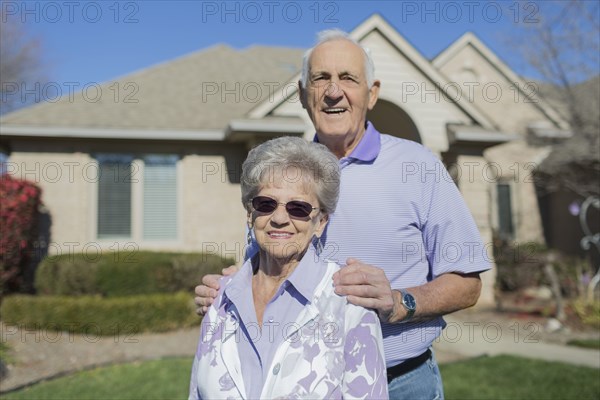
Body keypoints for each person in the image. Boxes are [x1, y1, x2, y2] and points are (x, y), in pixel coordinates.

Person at [195, 29, 490, 399]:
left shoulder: (419, 166)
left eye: (348, 78)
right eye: (320, 78)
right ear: (304, 94)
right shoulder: (281, 176)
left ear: (372, 92)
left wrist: (400, 303)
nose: (334, 91)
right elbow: (261, 272)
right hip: (304, 385)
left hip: (403, 381)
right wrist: (227, 295)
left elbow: (467, 283)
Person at [189, 136, 388, 399]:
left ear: (320, 223)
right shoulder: (219, 300)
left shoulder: (348, 304)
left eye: (298, 208)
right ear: (250, 214)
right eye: (266, 204)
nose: (280, 218)